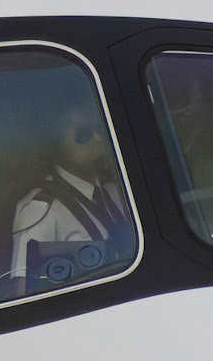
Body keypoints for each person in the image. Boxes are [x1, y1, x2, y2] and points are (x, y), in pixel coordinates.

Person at [10, 99, 134, 288]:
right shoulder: (41, 211)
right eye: (84, 134)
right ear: (54, 141)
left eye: (99, 130)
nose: (97, 140)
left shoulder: (117, 193)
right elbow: (25, 293)